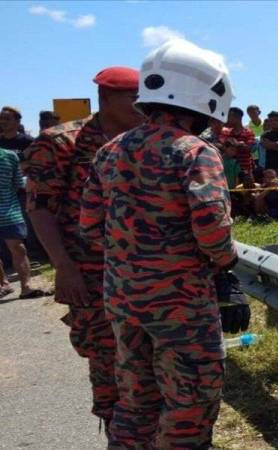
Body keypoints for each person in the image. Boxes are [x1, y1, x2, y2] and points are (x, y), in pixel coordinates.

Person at [80, 39, 248, 449]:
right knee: (190, 402)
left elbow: (88, 227)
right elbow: (211, 229)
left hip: (122, 300)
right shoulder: (196, 152)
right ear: (207, 98)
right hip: (181, 306)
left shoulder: (109, 151)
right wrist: (226, 263)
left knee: (136, 399)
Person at [23, 66, 143, 435]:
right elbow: (40, 208)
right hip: (90, 270)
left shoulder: (146, 140)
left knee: (147, 361)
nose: (143, 108)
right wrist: (64, 266)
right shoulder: (61, 143)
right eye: (134, 99)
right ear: (106, 98)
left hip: (147, 271)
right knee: (106, 357)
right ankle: (117, 433)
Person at [0, 147, 50, 299]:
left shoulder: (9, 156)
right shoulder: (10, 155)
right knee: (18, 248)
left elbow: (17, 183)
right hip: (10, 209)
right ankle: (3, 284)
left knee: (18, 248)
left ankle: (25, 287)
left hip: (9, 211)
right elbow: (17, 184)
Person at [218, 106, 255, 175]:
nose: (226, 119)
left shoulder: (248, 132)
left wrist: (235, 144)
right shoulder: (226, 132)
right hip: (229, 169)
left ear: (237, 118)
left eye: (229, 116)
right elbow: (221, 146)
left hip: (245, 170)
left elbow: (249, 149)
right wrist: (238, 145)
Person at [260, 111, 278, 182]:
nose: (273, 122)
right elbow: (267, 146)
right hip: (270, 167)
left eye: (276, 120)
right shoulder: (265, 135)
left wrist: (272, 144)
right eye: (271, 120)